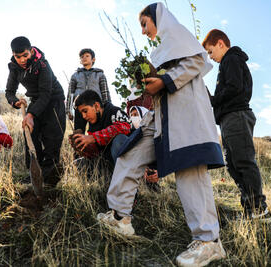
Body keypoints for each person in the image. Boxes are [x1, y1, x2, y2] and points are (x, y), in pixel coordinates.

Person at [96, 3, 226, 267]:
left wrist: (165, 81)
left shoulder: (178, 35)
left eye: (145, 24)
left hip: (185, 119)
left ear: (159, 19)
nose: (143, 31)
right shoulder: (163, 47)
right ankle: (121, 218)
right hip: (159, 119)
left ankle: (209, 242)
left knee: (190, 171)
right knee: (129, 154)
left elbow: (198, 60)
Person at [202, 29, 268, 218]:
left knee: (243, 161)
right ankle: (249, 208)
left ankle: (258, 208)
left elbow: (234, 87)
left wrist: (213, 100)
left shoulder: (231, 59)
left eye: (210, 51)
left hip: (237, 115)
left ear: (220, 44)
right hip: (229, 118)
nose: (210, 57)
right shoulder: (227, 63)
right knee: (232, 164)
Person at [5, 36, 66, 187]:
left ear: (31, 51)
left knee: (52, 137)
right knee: (31, 135)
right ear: (13, 55)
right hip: (36, 101)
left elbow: (46, 93)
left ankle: (49, 176)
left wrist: (31, 114)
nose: (22, 60)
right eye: (18, 57)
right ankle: (35, 174)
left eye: (25, 55)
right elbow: (9, 91)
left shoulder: (43, 65)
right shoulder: (14, 67)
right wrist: (15, 102)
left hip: (53, 100)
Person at [70, 90, 130, 174]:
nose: (83, 116)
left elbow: (124, 128)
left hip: (128, 162)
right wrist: (83, 148)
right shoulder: (92, 125)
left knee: (119, 140)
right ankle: (106, 183)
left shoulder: (114, 111)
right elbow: (96, 153)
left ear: (96, 106)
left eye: (85, 111)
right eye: (81, 113)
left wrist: (93, 137)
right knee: (81, 162)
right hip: (109, 164)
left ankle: (127, 180)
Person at [66, 48, 111, 133]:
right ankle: (79, 145)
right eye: (82, 57)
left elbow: (105, 92)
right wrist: (68, 110)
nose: (84, 58)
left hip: (95, 107)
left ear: (93, 59)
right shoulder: (75, 75)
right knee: (78, 131)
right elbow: (70, 93)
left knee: (96, 131)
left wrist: (107, 107)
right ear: (80, 60)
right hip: (79, 107)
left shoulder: (100, 74)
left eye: (87, 56)